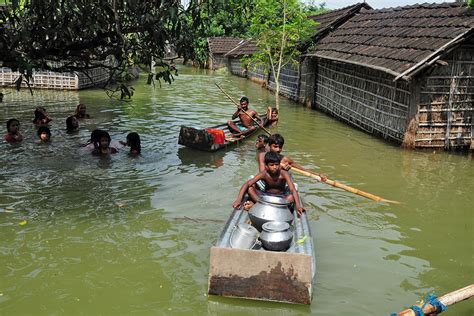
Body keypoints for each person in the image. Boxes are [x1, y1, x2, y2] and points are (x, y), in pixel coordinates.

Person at [232, 151, 305, 215]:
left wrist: (298, 206)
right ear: (266, 166)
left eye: (277, 164)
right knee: (250, 189)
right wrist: (238, 200)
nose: (275, 167)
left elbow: (292, 190)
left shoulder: (284, 174)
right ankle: (261, 204)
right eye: (272, 165)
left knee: (291, 197)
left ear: (279, 164)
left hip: (280, 198)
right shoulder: (264, 174)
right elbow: (247, 184)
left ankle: (259, 206)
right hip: (265, 197)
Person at [258, 133, 327, 181]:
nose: (278, 150)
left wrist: (318, 175)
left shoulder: (285, 160)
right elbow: (262, 173)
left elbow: (303, 170)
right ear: (269, 146)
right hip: (266, 181)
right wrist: (279, 168)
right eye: (275, 147)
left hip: (278, 184)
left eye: (280, 147)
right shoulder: (262, 156)